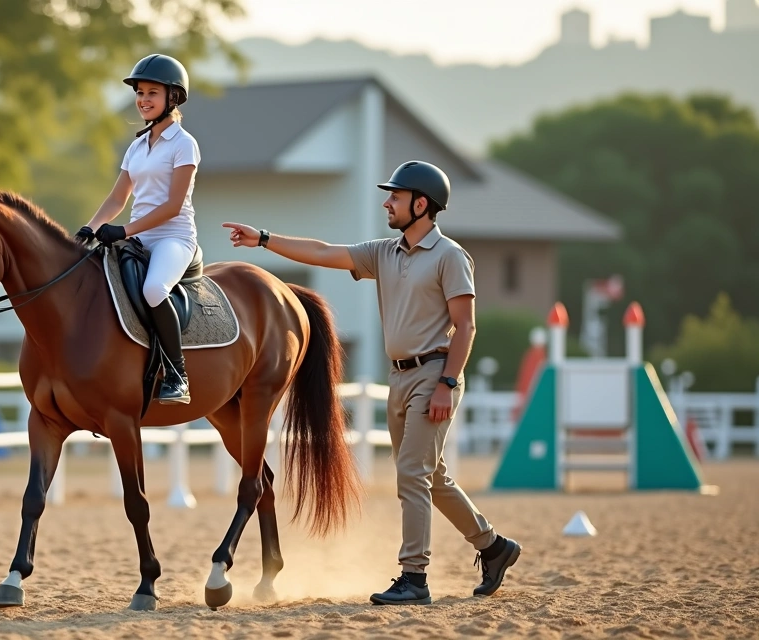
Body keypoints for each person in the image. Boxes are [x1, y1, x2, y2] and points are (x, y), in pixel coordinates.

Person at [221, 161, 521, 605]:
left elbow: (466, 327)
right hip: (399, 377)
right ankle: (495, 548)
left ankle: (414, 578)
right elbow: (324, 252)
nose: (387, 202)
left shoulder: (450, 257)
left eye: (395, 197)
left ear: (422, 205)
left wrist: (446, 383)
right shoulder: (386, 252)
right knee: (431, 476)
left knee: (412, 476)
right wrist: (263, 239)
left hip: (434, 375)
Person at [74, 53, 201, 405]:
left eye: (152, 93)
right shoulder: (136, 146)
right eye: (140, 92)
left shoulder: (184, 144)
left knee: (155, 289)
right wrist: (90, 227)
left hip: (174, 237)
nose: (143, 99)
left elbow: (173, 206)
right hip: (137, 236)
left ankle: (178, 374)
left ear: (172, 98)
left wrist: (124, 231)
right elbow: (118, 197)